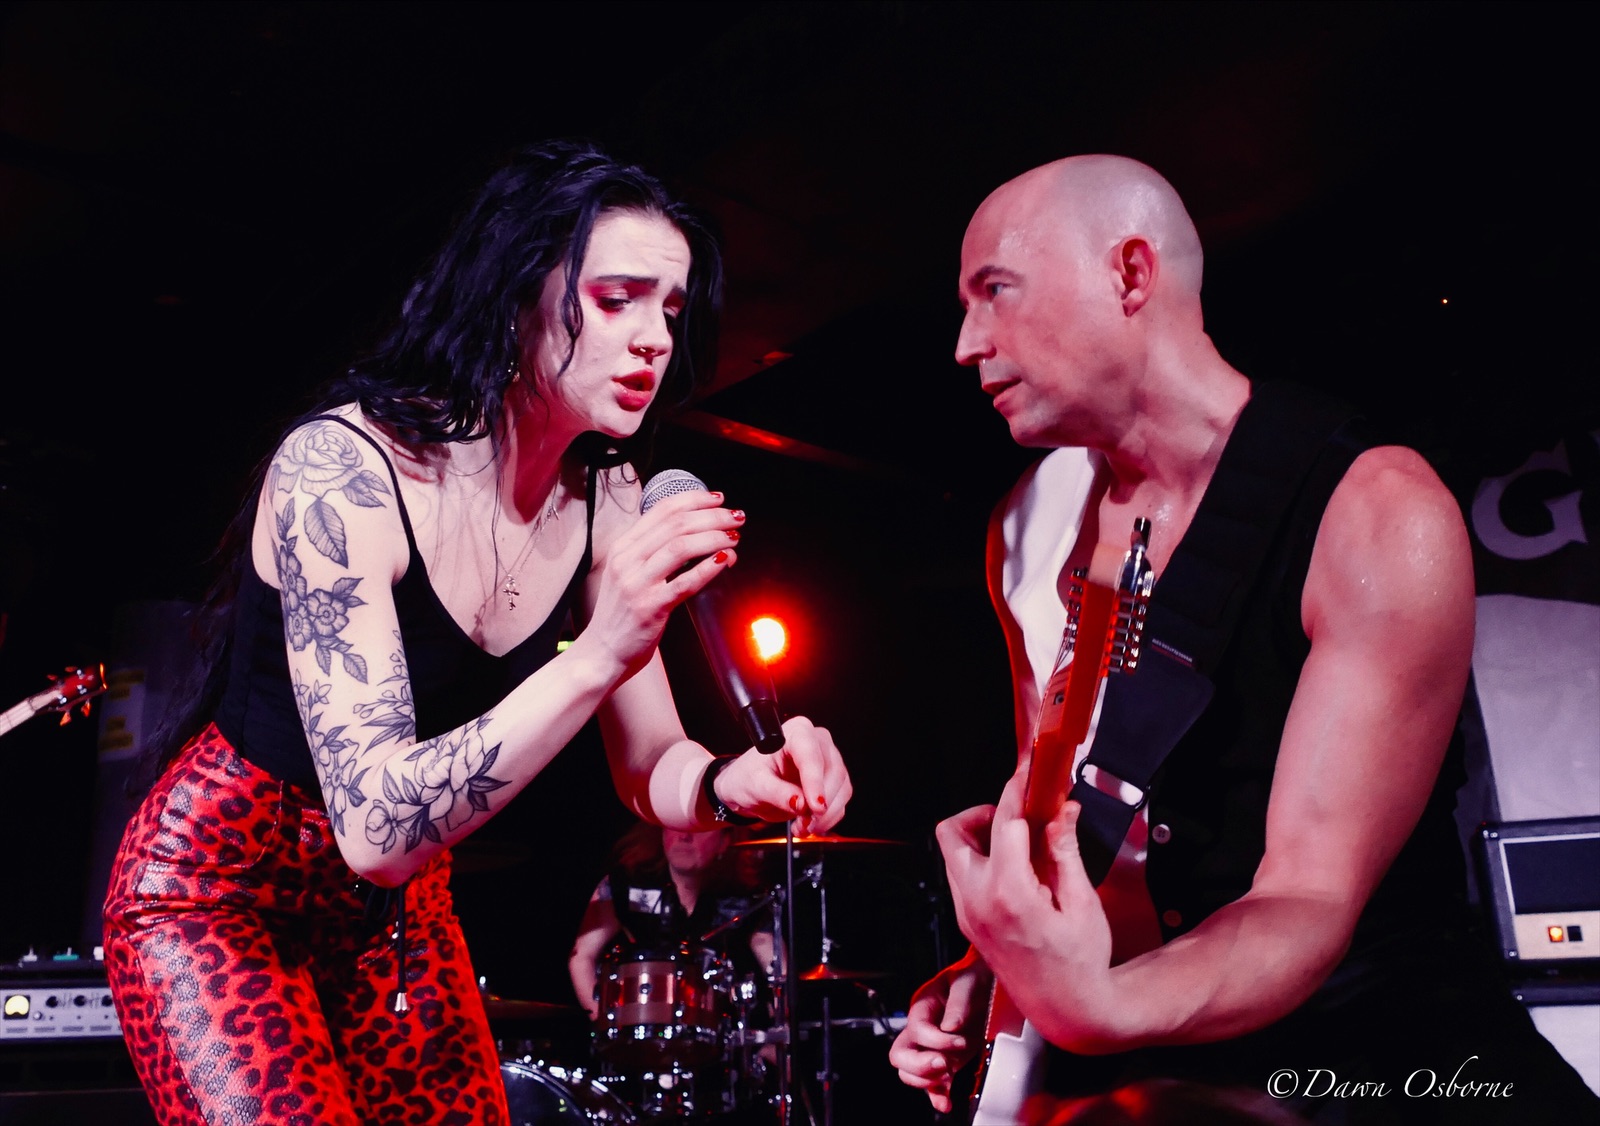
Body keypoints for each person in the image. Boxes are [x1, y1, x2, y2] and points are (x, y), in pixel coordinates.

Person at [101, 139, 852, 1126]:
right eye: (616, 299)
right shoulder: (343, 472)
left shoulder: (605, 498)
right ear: (515, 298)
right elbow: (375, 828)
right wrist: (597, 651)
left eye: (670, 310)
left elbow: (649, 762)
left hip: (398, 917)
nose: (653, 339)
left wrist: (725, 783)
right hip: (224, 894)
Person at [888, 155, 1597, 1122]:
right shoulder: (1026, 521)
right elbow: (1063, 806)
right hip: (1139, 1044)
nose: (967, 344)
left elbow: (1307, 898)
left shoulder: (1374, 510)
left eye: (995, 292)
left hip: (1366, 1053)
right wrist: (999, 968)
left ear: (1129, 275)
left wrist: (1094, 1006)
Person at [569, 819, 778, 1021]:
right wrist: (605, 1021)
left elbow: (779, 973)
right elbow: (581, 957)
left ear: (725, 841)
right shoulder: (626, 882)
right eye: (675, 825)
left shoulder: (746, 897)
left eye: (699, 829)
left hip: (717, 1031)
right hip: (641, 1025)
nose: (684, 836)